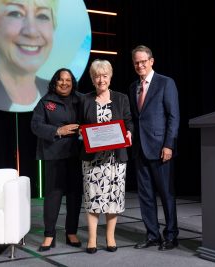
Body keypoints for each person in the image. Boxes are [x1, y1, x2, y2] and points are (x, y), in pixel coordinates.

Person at [129, 45, 180, 251]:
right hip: (140, 149)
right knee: (146, 196)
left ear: (151, 61)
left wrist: (169, 145)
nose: (140, 65)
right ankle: (152, 235)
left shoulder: (166, 83)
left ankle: (171, 236)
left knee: (166, 195)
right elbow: (135, 119)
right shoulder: (133, 87)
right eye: (136, 62)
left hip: (161, 149)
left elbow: (173, 117)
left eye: (143, 61)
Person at [79, 59, 133, 254]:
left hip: (115, 160)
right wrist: (82, 135)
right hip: (93, 160)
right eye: (96, 76)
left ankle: (110, 236)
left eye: (104, 75)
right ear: (92, 79)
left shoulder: (121, 98)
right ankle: (92, 238)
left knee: (113, 198)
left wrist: (129, 133)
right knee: (93, 198)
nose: (101, 80)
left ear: (110, 77)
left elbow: (128, 122)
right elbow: (80, 126)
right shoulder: (84, 99)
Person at [31, 68, 83, 251]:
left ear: (72, 82)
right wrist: (57, 131)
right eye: (61, 80)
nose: (64, 83)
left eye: (68, 80)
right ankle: (49, 235)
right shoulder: (46, 101)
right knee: (53, 197)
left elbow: (90, 120)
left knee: (75, 197)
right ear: (55, 82)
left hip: (76, 155)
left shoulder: (81, 100)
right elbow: (35, 126)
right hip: (54, 155)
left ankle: (71, 233)